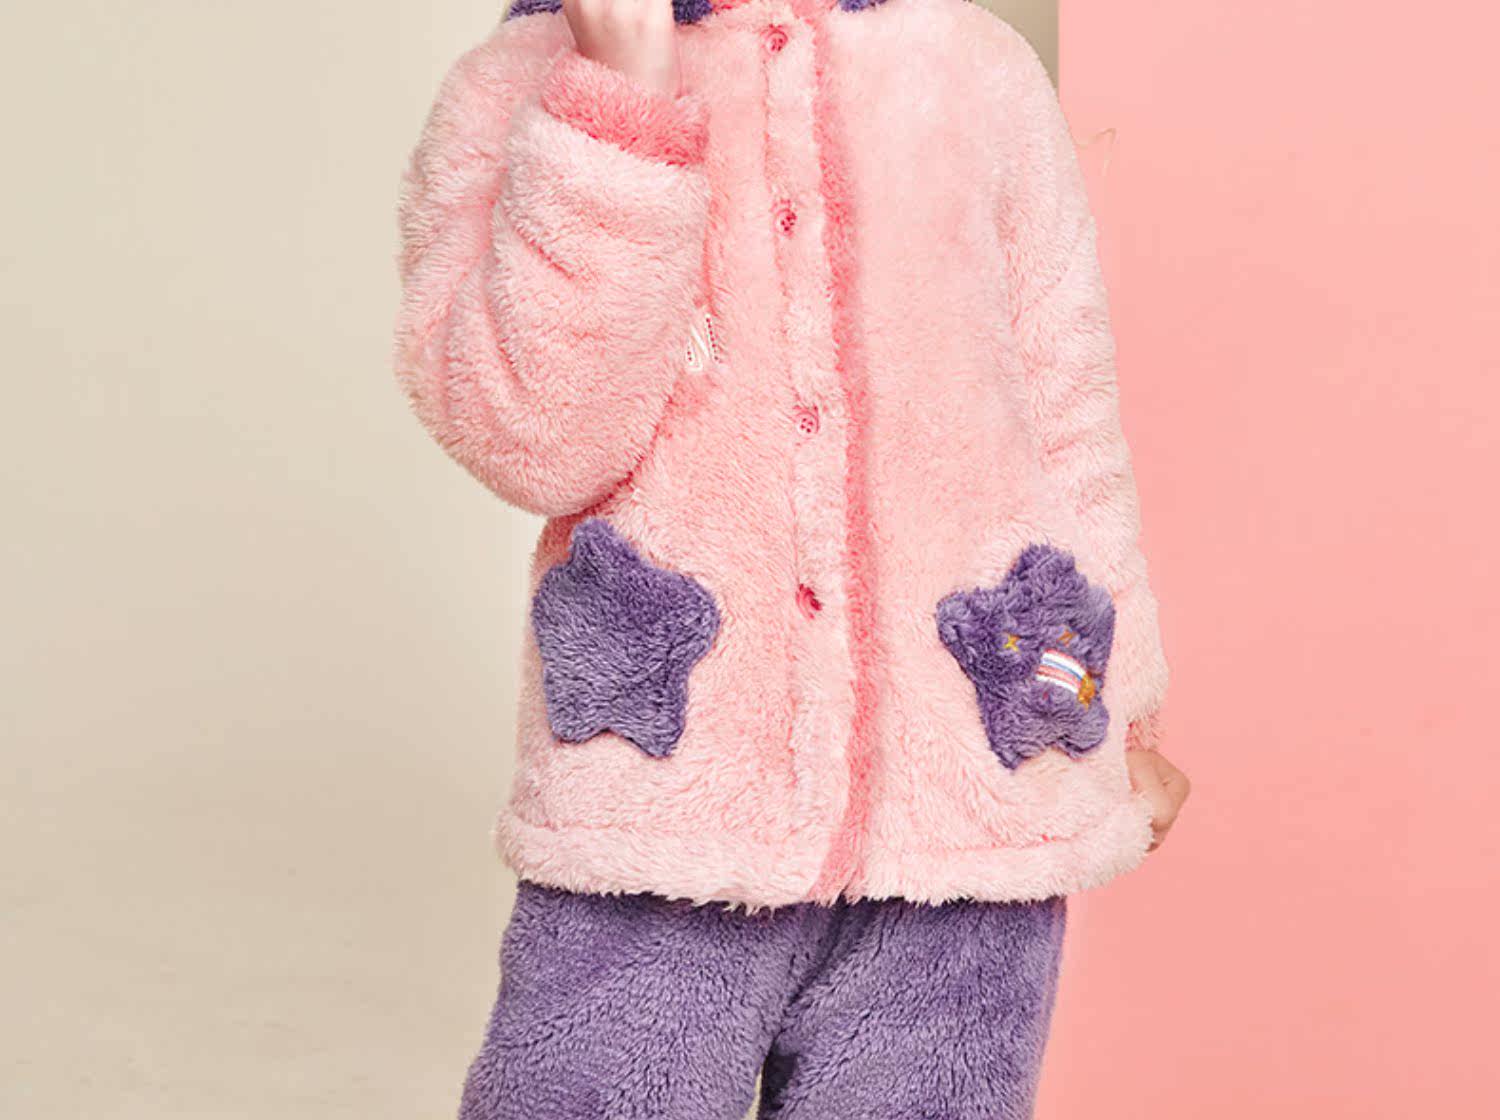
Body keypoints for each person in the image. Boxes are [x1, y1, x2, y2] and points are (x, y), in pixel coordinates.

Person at [393, 0, 1191, 1114]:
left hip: (968, 818)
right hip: (663, 809)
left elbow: (1069, 416)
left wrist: (1127, 711)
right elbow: (535, 434)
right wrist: (619, 97)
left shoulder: (976, 71)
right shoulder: (519, 82)